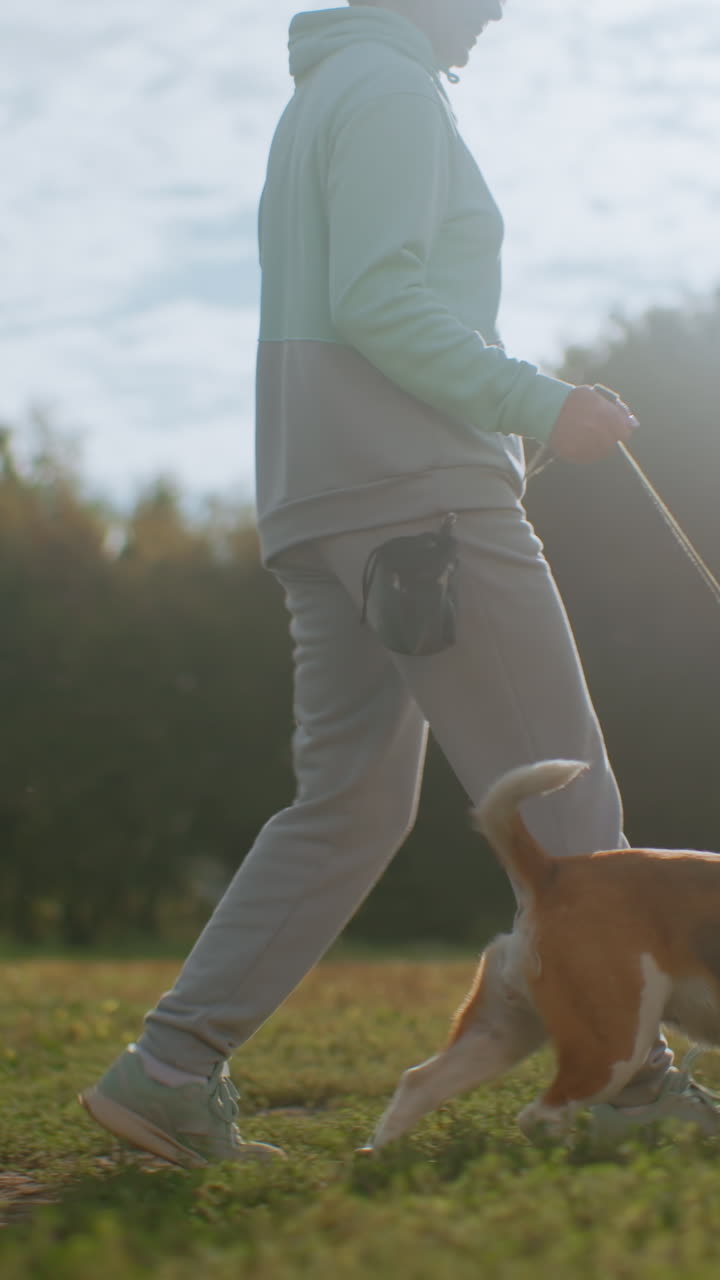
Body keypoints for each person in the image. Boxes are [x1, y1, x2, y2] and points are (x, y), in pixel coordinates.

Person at [80, 0, 719, 1165]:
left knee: (348, 806)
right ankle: (633, 1090)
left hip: (324, 498)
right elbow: (382, 300)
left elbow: (352, 306)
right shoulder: (389, 89)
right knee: (569, 790)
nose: (495, 10)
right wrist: (545, 405)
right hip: (421, 500)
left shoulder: (324, 91)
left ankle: (167, 1066)